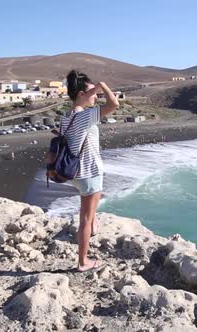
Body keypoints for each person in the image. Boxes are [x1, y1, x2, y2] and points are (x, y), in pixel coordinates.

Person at [62, 70, 119, 272]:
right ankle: (82, 262)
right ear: (80, 95)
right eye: (92, 92)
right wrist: (102, 85)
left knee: (89, 211)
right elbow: (114, 105)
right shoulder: (84, 116)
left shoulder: (66, 117)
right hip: (89, 171)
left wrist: (92, 89)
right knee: (85, 218)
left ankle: (93, 227)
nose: (96, 95)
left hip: (76, 173)